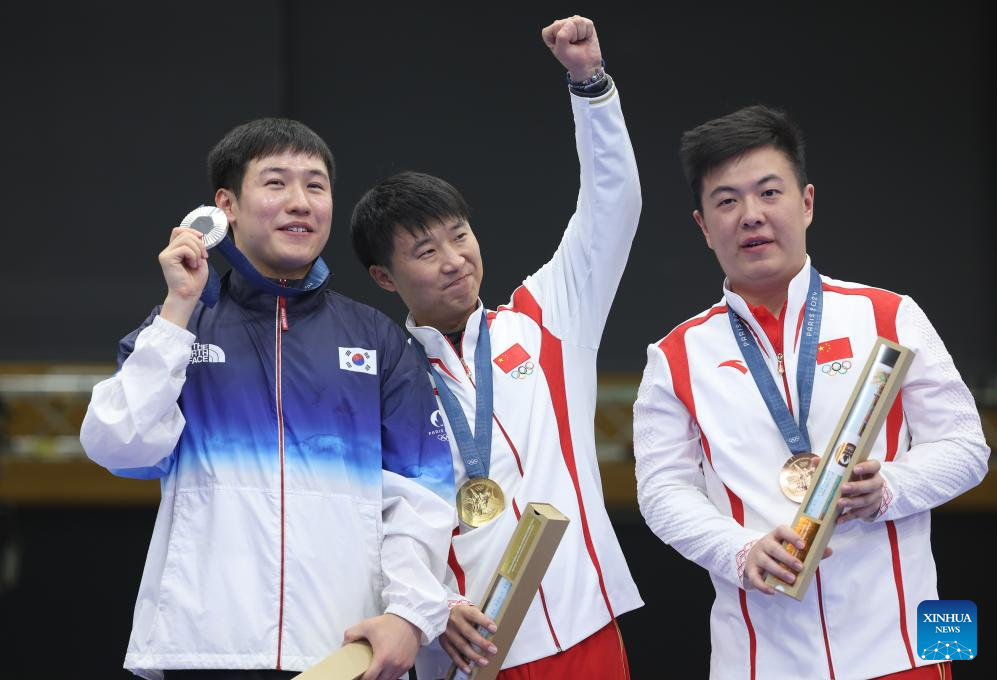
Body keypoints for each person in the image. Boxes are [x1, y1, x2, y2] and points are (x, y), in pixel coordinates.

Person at [80, 117, 455, 680]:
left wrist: (408, 613)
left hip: (343, 653)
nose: (300, 202)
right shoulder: (177, 329)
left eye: (316, 185)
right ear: (225, 205)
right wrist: (178, 309)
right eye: (276, 183)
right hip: (202, 651)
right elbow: (118, 446)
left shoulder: (377, 339)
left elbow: (421, 494)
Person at [633, 104, 990, 679]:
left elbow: (968, 449)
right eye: (727, 201)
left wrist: (890, 487)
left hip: (901, 645)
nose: (751, 216)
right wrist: (737, 550)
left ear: (807, 203)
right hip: (758, 657)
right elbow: (662, 492)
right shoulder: (674, 357)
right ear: (702, 226)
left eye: (769, 193)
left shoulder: (889, 315)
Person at [349, 15, 642, 680]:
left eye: (459, 236)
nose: (453, 261)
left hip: (584, 626)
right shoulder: (380, 379)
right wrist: (428, 605)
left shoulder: (545, 319)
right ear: (384, 277)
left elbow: (612, 205)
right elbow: (367, 522)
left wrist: (588, 83)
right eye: (426, 251)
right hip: (471, 650)